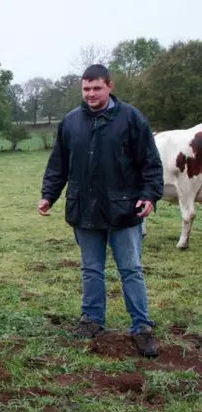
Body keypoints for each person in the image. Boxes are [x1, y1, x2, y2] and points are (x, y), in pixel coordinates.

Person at [38, 64, 163, 358]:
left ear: (110, 87)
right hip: (85, 208)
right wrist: (48, 195)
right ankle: (92, 320)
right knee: (91, 269)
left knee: (131, 269)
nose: (91, 94)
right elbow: (59, 165)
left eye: (97, 88)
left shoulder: (131, 119)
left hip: (124, 210)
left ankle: (142, 326)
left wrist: (149, 195)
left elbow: (150, 162)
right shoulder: (70, 122)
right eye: (86, 89)